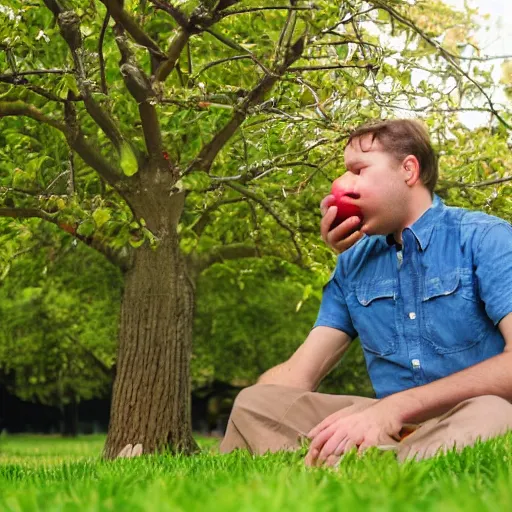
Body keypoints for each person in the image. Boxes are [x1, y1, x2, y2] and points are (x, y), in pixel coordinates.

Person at [219, 118, 512, 466]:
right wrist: (256, 408)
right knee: (256, 402)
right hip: (385, 424)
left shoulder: (485, 238)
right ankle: (381, 462)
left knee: (494, 414)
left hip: (464, 415)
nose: (341, 185)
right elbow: (299, 374)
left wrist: (395, 407)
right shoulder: (353, 263)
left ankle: (351, 465)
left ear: (408, 170)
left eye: (358, 170)